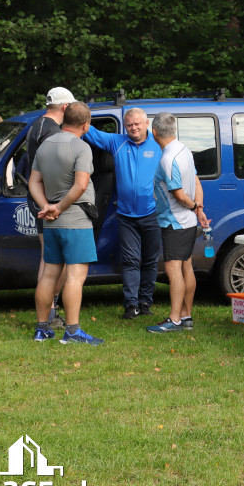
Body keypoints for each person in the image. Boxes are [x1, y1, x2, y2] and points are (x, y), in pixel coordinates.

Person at [28, 102, 103, 345]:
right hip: (76, 220)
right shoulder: (81, 147)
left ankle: (42, 329)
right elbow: (80, 185)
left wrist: (46, 207)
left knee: (49, 275)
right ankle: (71, 332)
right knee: (75, 277)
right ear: (86, 125)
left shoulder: (45, 145)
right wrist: (58, 207)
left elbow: (33, 183)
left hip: (51, 222)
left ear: (63, 120)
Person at [84, 107, 162, 319]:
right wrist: (72, 108)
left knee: (150, 261)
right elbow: (88, 130)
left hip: (153, 214)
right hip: (126, 215)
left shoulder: (158, 146)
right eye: (129, 125)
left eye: (137, 124)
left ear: (147, 124)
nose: (133, 128)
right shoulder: (117, 142)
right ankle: (130, 305)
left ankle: (145, 302)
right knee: (130, 260)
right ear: (125, 126)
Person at [145, 113, 210, 333]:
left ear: (154, 132)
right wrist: (199, 209)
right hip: (188, 222)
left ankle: (174, 320)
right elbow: (197, 182)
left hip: (175, 222)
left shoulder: (167, 159)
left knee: (174, 269)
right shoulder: (185, 150)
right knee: (186, 266)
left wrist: (193, 207)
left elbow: (180, 195)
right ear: (173, 130)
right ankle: (186, 316)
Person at [28, 87, 77, 327]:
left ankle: (46, 314)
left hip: (40, 199)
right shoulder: (52, 132)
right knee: (59, 263)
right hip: (52, 203)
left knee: (48, 260)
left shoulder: (36, 124)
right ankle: (49, 313)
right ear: (66, 108)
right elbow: (58, 170)